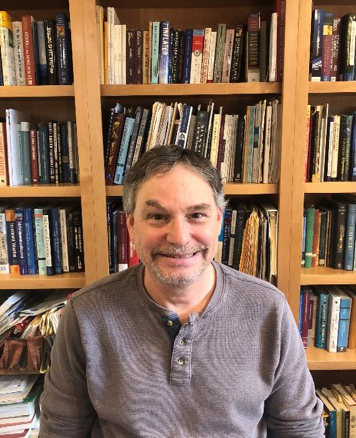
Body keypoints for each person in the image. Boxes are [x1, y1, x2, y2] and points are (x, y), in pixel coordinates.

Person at [40, 145, 324, 437]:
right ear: (131, 224)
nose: (178, 237)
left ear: (219, 220)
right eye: (157, 216)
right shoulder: (86, 312)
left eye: (197, 215)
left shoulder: (268, 309)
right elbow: (61, 429)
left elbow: (299, 428)